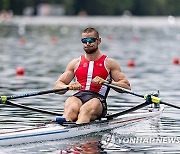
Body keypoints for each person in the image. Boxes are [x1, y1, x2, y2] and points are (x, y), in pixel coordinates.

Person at [54, 27, 131, 124]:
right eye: (84, 40)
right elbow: (57, 86)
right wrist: (68, 87)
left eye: (91, 40)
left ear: (99, 41)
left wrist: (107, 82)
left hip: (98, 99)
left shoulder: (109, 63)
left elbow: (127, 86)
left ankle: (78, 132)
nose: (88, 43)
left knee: (86, 110)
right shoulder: (75, 63)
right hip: (79, 96)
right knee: (70, 108)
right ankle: (63, 128)